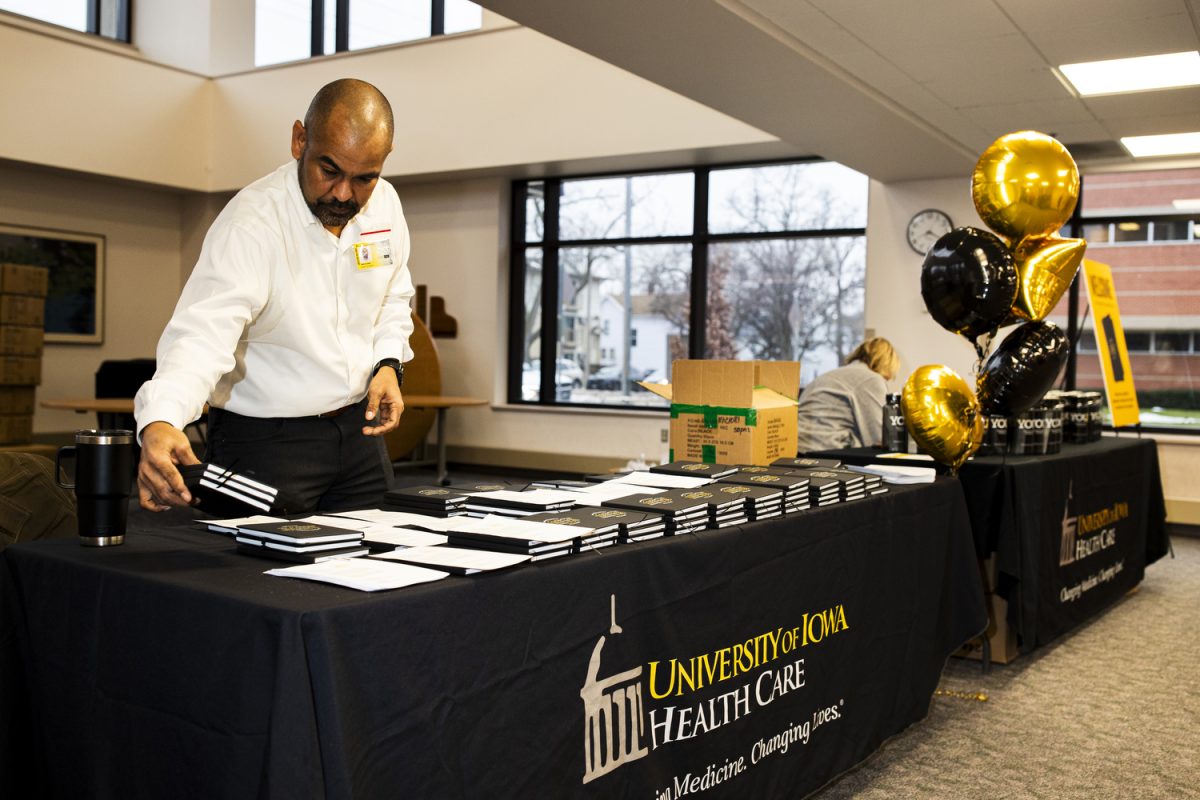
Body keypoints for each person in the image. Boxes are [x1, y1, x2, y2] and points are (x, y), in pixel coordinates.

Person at [134, 78, 415, 514]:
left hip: (359, 440)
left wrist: (387, 365)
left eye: (364, 178)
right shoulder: (252, 223)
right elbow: (203, 334)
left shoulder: (385, 205)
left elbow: (393, 297)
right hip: (265, 446)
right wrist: (162, 418)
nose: (344, 193)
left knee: (377, 567)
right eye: (330, 170)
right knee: (257, 580)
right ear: (299, 139)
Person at [795, 337, 900, 452]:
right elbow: (883, 438)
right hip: (825, 452)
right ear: (887, 363)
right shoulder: (871, 379)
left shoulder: (831, 375)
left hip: (796, 448)